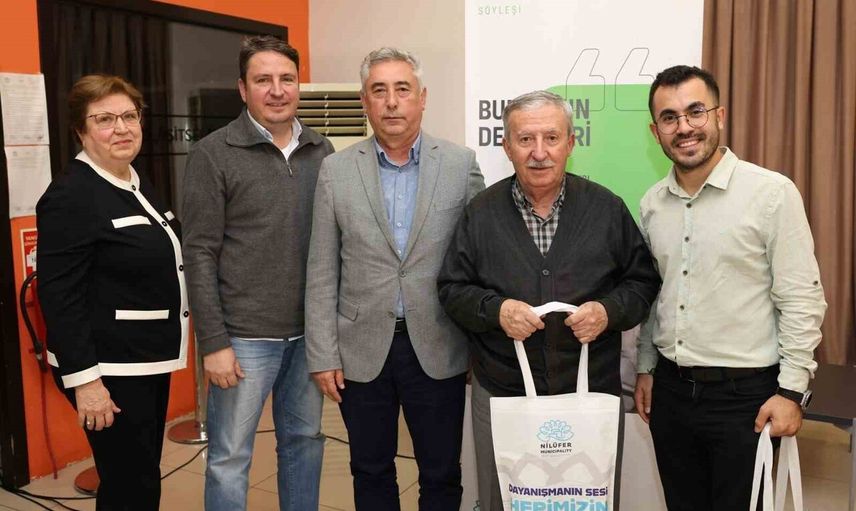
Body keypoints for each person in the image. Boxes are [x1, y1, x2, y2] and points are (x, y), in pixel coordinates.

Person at [437, 90, 661, 511]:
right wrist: (496, 311)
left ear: (571, 143)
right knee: (506, 500)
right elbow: (452, 288)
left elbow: (642, 281)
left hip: (589, 390)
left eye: (551, 138)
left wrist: (608, 311)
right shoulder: (480, 213)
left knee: (589, 498)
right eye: (525, 139)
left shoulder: (606, 209)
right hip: (503, 392)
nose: (539, 153)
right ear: (507, 146)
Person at [634, 65, 827, 511]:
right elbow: (656, 294)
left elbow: (802, 298)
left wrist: (791, 392)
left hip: (747, 400)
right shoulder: (652, 204)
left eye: (695, 111)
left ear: (719, 115)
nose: (684, 127)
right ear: (655, 131)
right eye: (669, 117)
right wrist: (646, 367)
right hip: (671, 395)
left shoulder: (772, 193)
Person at [304, 47, 484, 510]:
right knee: (370, 471)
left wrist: (479, 343)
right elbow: (322, 268)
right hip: (360, 349)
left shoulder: (460, 164)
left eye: (402, 89)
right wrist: (323, 353)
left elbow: (479, 262)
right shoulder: (336, 169)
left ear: (422, 98)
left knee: (441, 473)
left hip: (439, 344)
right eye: (378, 90)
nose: (391, 102)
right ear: (365, 101)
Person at [182, 36, 334, 511]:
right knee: (230, 458)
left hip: (308, 337)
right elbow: (199, 253)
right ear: (243, 89)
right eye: (263, 80)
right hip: (243, 341)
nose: (277, 90)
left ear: (299, 85)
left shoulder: (321, 149)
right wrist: (214, 343)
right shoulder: (213, 153)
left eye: (287, 79)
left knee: (304, 444)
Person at [37, 74, 187, 510]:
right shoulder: (71, 195)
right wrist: (87, 383)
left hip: (143, 359)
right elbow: (59, 296)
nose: (121, 128)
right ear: (80, 131)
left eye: (129, 116)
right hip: (108, 368)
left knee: (138, 477)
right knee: (130, 484)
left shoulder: (132, 180)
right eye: (104, 119)